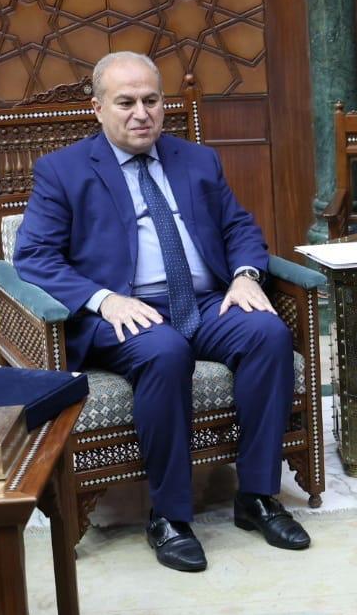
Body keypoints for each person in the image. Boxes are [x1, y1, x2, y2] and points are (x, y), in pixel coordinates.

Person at [15, 51, 310, 572]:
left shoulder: (197, 161)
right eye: (125, 102)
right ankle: (170, 516)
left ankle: (257, 496)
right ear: (98, 108)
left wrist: (245, 275)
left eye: (151, 100)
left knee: (268, 334)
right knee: (166, 352)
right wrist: (104, 300)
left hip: (205, 300)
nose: (141, 113)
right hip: (123, 310)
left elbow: (239, 227)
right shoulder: (62, 171)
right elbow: (35, 256)